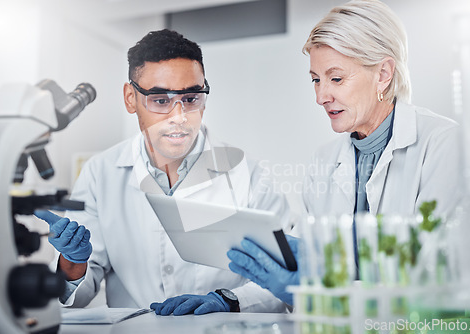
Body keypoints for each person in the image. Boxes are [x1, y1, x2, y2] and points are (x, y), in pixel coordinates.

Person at [228, 0, 470, 306]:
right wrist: (234, 299)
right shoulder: (325, 161)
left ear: (383, 73)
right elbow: (295, 268)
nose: (321, 96)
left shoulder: (443, 143)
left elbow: (432, 274)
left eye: (336, 78)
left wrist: (319, 290)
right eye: (315, 79)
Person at [35, 28, 290, 315]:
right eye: (160, 100)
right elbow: (76, 293)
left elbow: (284, 283)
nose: (178, 117)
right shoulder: (100, 173)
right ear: (131, 98)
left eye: (191, 98)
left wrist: (229, 299)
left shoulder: (251, 175)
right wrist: (73, 261)